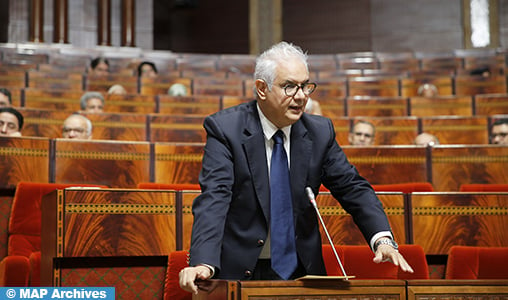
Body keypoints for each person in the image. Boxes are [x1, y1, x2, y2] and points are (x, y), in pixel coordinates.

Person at [179, 41, 413, 294]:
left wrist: (382, 238)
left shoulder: (320, 132)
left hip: (302, 271)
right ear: (262, 89)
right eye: (289, 86)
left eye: (305, 86)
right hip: (240, 268)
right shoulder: (226, 129)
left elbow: (352, 188)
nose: (301, 96)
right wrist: (203, 262)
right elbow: (215, 196)